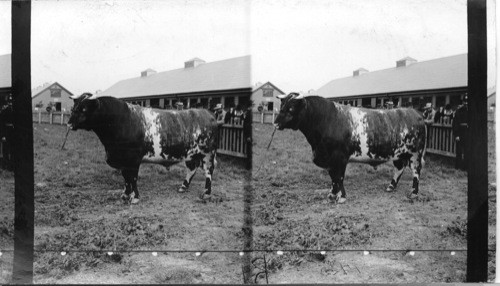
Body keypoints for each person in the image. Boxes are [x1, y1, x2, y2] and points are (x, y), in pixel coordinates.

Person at [452, 95, 468, 170]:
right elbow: (455, 123)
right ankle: (458, 166)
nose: (466, 103)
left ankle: (465, 167)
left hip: (468, 133)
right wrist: (457, 135)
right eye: (465, 102)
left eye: (467, 102)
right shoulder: (459, 111)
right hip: (460, 133)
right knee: (459, 151)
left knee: (467, 151)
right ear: (463, 102)